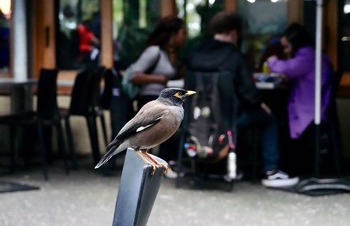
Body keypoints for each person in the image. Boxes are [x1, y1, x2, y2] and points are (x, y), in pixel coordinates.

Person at [185, 10, 299, 188]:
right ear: (234, 33)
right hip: (229, 122)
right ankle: (271, 171)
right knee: (268, 119)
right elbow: (248, 93)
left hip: (195, 120)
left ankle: (204, 166)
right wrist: (260, 103)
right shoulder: (234, 56)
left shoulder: (195, 53)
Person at [126, 16, 187, 176]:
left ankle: (162, 164)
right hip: (151, 100)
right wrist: (163, 79)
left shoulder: (168, 53)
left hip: (165, 101)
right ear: (172, 33)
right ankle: (156, 166)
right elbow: (134, 75)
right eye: (182, 32)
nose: (184, 37)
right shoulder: (154, 51)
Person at [267, 23, 333, 140]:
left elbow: (286, 68)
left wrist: (272, 61)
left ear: (296, 44)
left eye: (287, 47)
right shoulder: (315, 54)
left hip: (308, 115)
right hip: (315, 110)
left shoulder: (307, 56)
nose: (286, 51)